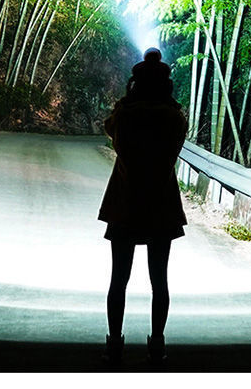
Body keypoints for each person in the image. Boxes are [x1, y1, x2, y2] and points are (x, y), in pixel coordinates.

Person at [98, 48, 188, 366]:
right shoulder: (173, 118)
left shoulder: (125, 116)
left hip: (125, 202)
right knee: (159, 280)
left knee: (118, 279)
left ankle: (114, 343)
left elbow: (110, 128)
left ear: (136, 84)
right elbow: (178, 140)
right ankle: (157, 344)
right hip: (161, 204)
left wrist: (126, 101)